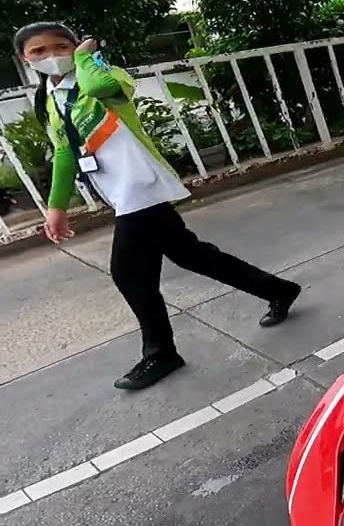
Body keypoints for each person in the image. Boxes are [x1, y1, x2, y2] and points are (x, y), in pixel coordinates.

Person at [17, 22, 302, 391]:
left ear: (77, 46)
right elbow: (64, 151)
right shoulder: (52, 98)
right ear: (24, 59)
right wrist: (57, 207)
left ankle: (161, 353)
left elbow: (100, 87)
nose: (52, 56)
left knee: (129, 274)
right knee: (192, 255)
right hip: (120, 192)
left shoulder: (103, 74)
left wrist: (86, 56)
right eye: (38, 51)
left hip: (141, 185)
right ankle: (277, 290)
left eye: (61, 46)